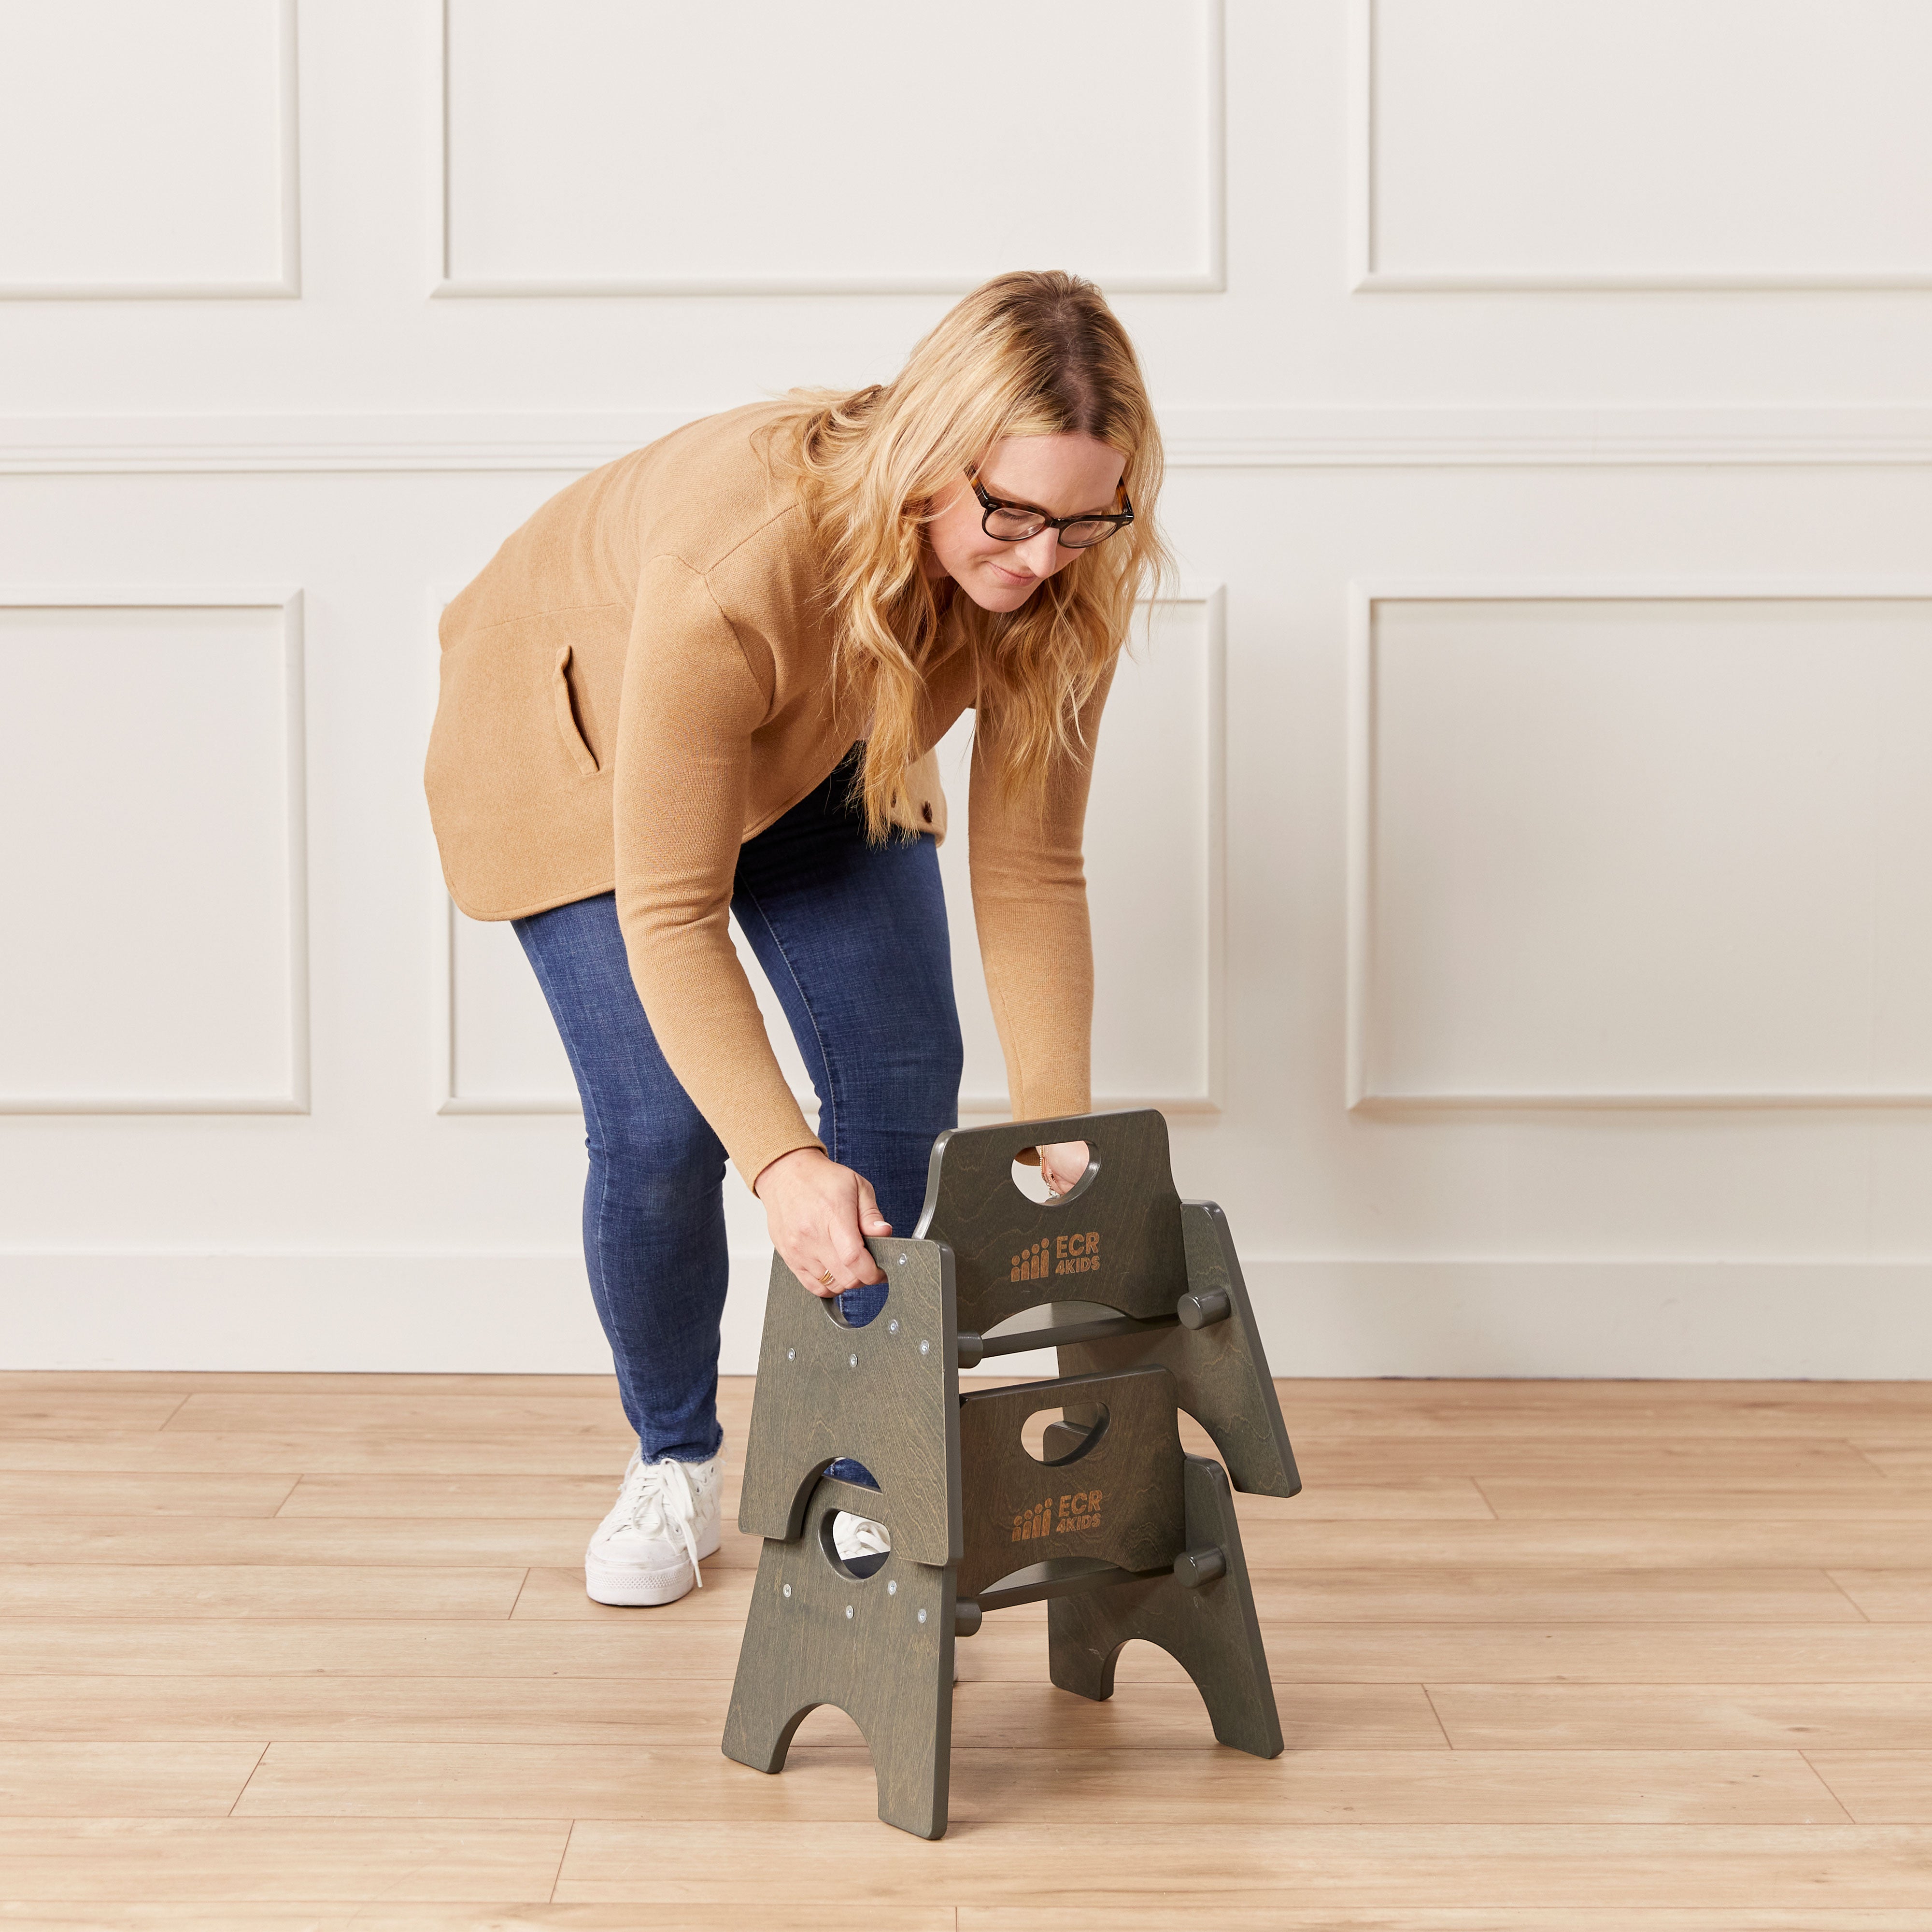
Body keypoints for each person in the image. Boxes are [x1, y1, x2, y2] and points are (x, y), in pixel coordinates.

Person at [424, 270, 1167, 1606]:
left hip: (826, 723)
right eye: (1012, 513)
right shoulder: (734, 563)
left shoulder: (1058, 570)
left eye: (1084, 520)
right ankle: (674, 1457)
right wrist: (779, 1164)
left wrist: (1060, 1124)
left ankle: (851, 1452)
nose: (1042, 557)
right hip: (585, 736)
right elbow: (671, 911)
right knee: (664, 1127)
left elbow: (1033, 868)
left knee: (900, 1069)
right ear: (931, 459)